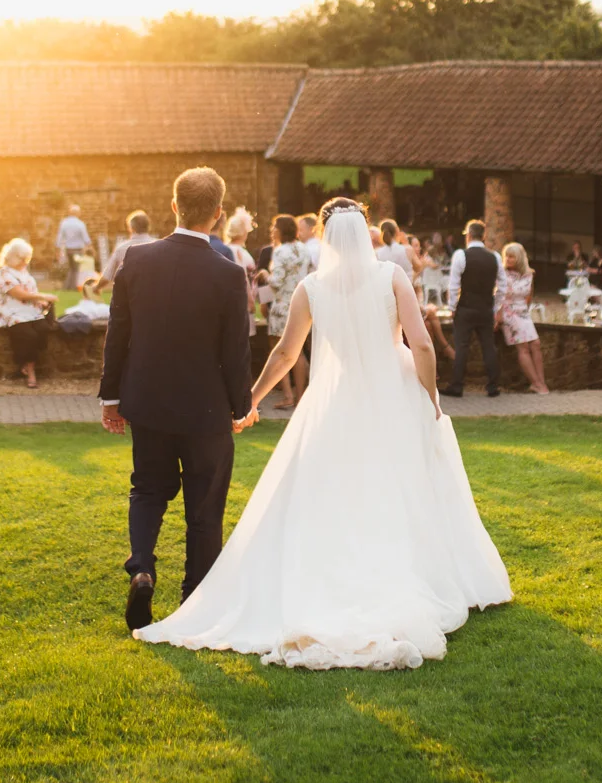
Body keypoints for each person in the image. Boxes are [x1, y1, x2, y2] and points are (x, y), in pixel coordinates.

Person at [134, 198, 511, 669]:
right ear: (367, 232)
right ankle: (411, 575)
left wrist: (249, 400)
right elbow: (421, 345)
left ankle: (337, 575)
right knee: (406, 488)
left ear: (327, 238)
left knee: (336, 492)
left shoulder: (311, 288)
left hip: (336, 401)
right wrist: (431, 399)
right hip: (394, 394)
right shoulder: (392, 278)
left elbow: (285, 355)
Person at [99, 167, 258, 631]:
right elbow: (236, 350)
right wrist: (240, 405)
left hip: (146, 402)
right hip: (205, 409)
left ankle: (143, 567)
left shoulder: (137, 260)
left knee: (147, 489)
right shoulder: (229, 274)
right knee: (204, 510)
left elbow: (117, 335)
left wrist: (111, 397)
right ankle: (195, 603)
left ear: (174, 206)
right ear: (219, 213)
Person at [0, 237, 56, 389]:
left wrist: (41, 302)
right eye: (22, 258)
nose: (25, 262)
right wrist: (43, 296)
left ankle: (26, 363)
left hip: (30, 310)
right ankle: (30, 372)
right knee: (27, 335)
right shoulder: (3, 274)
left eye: (27, 258)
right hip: (12, 312)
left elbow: (31, 291)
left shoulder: (24, 272)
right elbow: (19, 294)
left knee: (43, 329)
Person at [444, 219, 501, 397]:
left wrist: (452, 307)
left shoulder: (460, 255)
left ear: (468, 235)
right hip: (485, 309)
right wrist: (495, 306)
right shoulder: (495, 257)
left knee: (462, 346)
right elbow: (503, 286)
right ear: (483, 236)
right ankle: (493, 387)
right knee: (488, 346)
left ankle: (457, 386)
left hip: (465, 308)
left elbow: (453, 285)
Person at [264, 214, 309, 406]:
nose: (272, 229)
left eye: (275, 226)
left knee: (281, 350)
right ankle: (301, 396)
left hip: (282, 305)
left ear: (282, 230)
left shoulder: (281, 251)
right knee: (299, 350)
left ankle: (288, 396)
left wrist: (264, 274)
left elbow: (275, 282)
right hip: (301, 303)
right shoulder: (303, 249)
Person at [497, 242, 549, 394]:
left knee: (536, 344)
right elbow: (498, 295)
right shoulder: (501, 273)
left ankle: (540, 381)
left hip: (523, 312)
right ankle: (536, 383)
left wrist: (525, 311)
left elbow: (529, 295)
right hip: (508, 311)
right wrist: (498, 315)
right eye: (506, 256)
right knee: (523, 347)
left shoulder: (528, 274)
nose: (508, 259)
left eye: (512, 256)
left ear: (519, 258)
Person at [98, 211, 157, 287]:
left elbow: (107, 275)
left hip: (129, 294)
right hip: (154, 292)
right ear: (149, 227)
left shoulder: (121, 248)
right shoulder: (160, 246)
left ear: (131, 228)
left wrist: (96, 288)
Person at [55, 203, 93, 285]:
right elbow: (86, 238)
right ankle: (74, 285)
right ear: (77, 213)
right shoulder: (80, 224)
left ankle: (69, 286)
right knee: (76, 269)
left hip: (68, 249)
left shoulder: (64, 223)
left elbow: (59, 237)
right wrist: (91, 247)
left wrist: (57, 249)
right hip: (78, 249)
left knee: (71, 269)